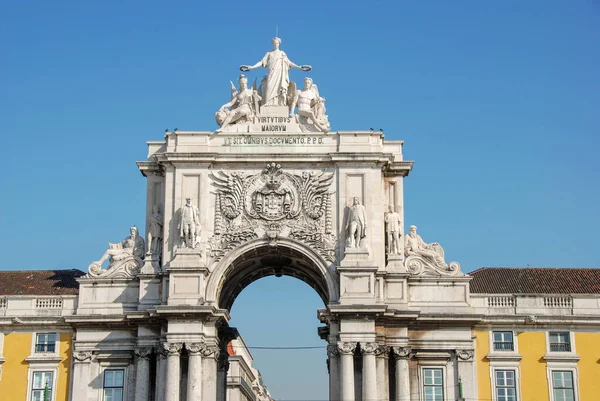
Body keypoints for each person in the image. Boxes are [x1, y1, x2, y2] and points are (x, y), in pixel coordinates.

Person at [240, 37, 311, 106]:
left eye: (277, 43)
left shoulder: (282, 53)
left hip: (280, 75)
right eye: (274, 43)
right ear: (272, 44)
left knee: (280, 89)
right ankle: (268, 103)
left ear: (279, 44)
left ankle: (280, 104)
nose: (275, 44)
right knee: (269, 87)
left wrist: (299, 67)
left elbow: (289, 62)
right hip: (272, 73)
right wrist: (252, 67)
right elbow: (261, 62)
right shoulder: (269, 53)